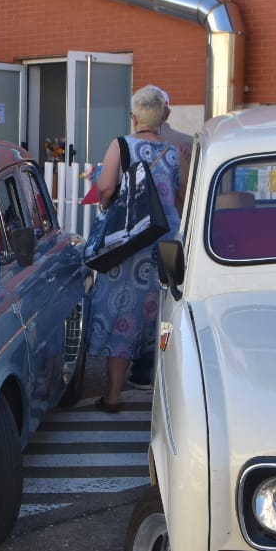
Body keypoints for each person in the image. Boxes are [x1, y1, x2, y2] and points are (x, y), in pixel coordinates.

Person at [86, 85, 182, 413]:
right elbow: (179, 199)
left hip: (128, 247)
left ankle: (113, 396)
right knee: (160, 317)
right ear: (164, 117)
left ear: (134, 116)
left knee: (122, 315)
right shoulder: (172, 152)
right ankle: (162, 399)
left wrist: (106, 205)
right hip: (164, 246)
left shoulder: (121, 145)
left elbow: (107, 187)